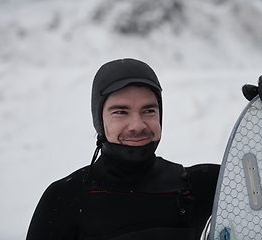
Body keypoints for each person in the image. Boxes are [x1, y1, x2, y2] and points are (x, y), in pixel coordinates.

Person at [26, 58, 220, 240]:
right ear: (99, 121)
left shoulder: (197, 187)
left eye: (148, 110)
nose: (137, 125)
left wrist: (252, 119)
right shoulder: (65, 199)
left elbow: (248, 176)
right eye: (120, 112)